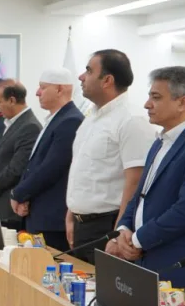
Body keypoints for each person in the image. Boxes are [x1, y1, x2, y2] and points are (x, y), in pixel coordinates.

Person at [109, 66, 185, 306]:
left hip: (180, 272)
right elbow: (140, 196)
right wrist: (123, 229)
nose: (147, 104)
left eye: (156, 97)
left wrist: (138, 239)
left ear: (183, 102)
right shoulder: (160, 141)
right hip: (145, 264)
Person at [65, 50, 155, 262]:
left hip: (107, 226)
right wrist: (72, 213)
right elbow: (82, 170)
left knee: (101, 284)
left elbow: (135, 182)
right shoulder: (91, 117)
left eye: (89, 71)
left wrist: (117, 234)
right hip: (80, 224)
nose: (81, 77)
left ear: (107, 80)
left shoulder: (131, 120)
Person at [10, 69, 84, 250]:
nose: (37, 93)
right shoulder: (56, 118)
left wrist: (18, 193)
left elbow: (51, 167)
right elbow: (33, 165)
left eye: (43, 87)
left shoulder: (71, 120)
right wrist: (23, 195)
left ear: (59, 89)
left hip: (52, 218)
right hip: (38, 211)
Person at [0, 81, 41, 229]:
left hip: (9, 208)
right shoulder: (9, 123)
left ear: (12, 100)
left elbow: (16, 168)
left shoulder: (29, 126)